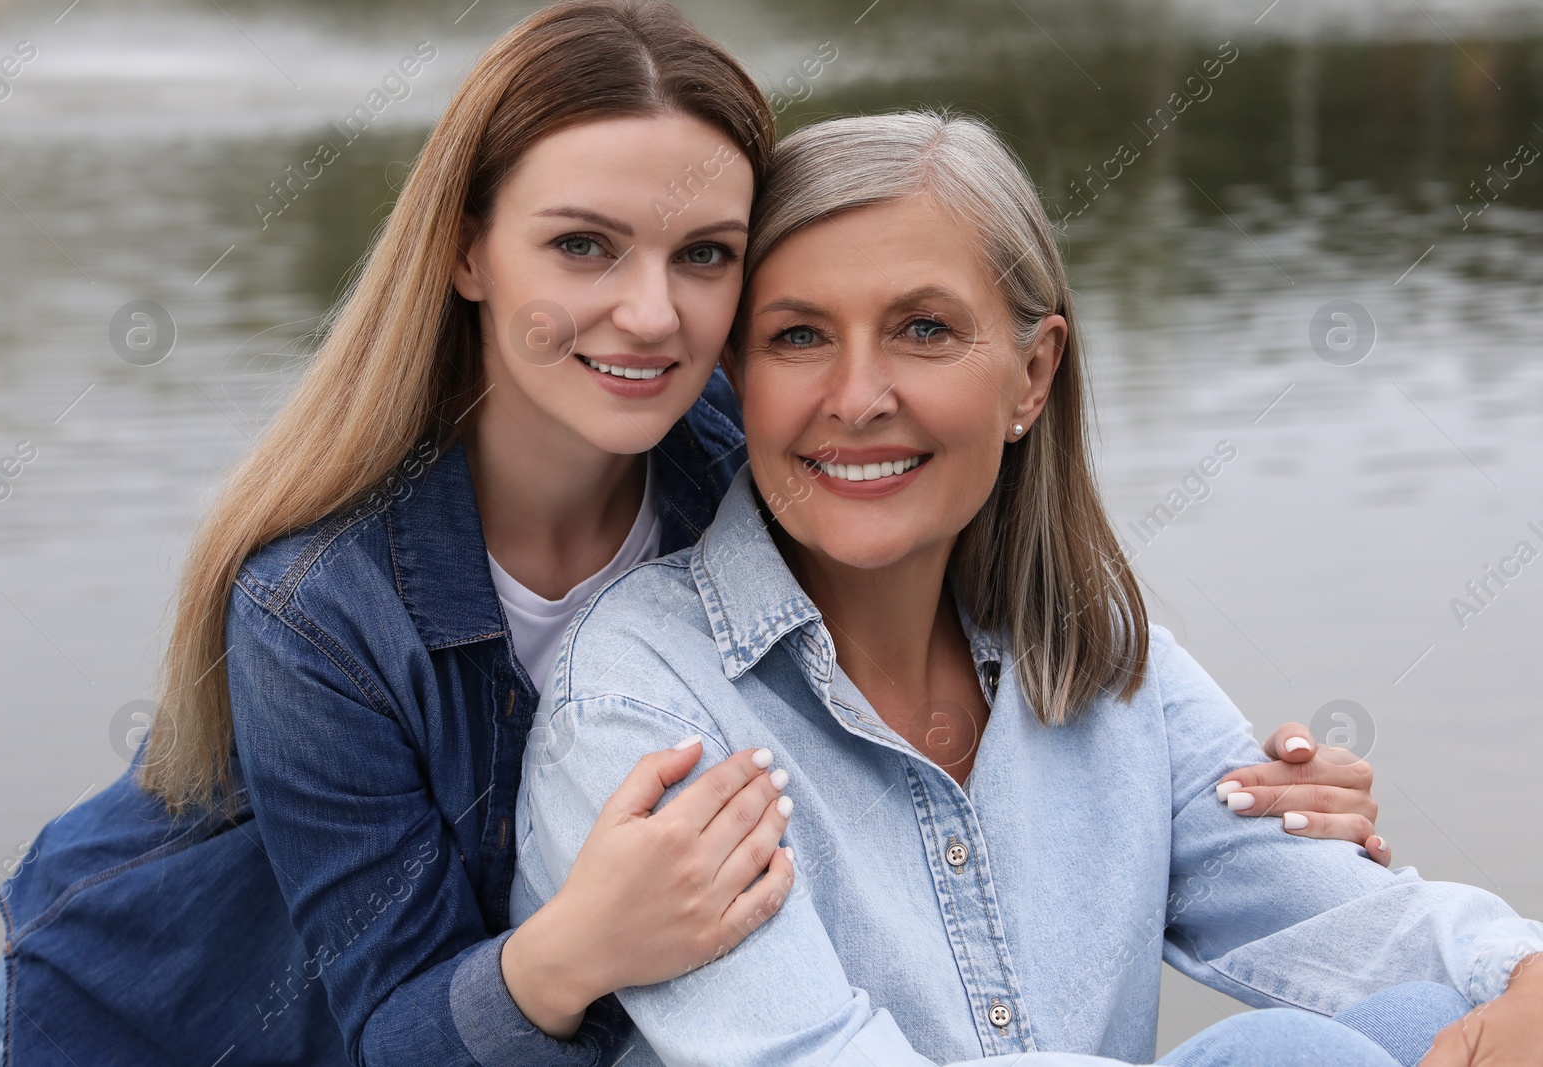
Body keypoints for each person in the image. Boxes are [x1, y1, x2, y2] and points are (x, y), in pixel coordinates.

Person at [0, 5, 1387, 1065]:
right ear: (469, 251)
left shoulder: (762, 476)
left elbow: (975, 705)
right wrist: (567, 952)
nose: (651, 314)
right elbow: (391, 1029)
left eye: (705, 255)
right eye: (583, 245)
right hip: (166, 1023)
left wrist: (1236, 804)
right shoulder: (318, 609)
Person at [510, 110, 1543, 1066]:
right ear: (740, 373)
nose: (859, 397)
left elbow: (1349, 920)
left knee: (1427, 1014)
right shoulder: (645, 700)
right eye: (798, 335)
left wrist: (1523, 974)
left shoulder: (1090, 651)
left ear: (1032, 373)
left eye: (923, 329)